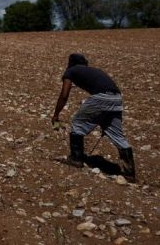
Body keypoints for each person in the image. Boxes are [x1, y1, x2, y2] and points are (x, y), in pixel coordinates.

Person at [51, 53, 136, 182]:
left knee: (77, 123)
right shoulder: (94, 70)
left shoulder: (71, 71)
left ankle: (76, 158)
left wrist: (56, 114)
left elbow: (64, 95)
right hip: (116, 98)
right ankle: (129, 172)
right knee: (116, 134)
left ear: (70, 63)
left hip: (101, 97)